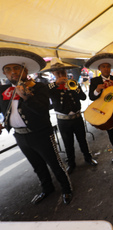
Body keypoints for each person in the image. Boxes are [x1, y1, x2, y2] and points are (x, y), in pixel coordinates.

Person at [0, 48, 72, 205]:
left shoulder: (39, 87)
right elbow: (4, 110)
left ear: (25, 70)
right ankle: (47, 189)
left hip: (41, 134)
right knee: (37, 166)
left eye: (17, 68)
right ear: (4, 74)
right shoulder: (3, 90)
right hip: (19, 135)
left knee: (55, 164)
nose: (13, 72)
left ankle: (66, 189)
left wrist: (25, 96)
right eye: (8, 69)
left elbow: (41, 110)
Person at [42, 58, 98, 174]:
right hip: (63, 121)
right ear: (53, 73)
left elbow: (83, 97)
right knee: (68, 143)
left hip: (77, 118)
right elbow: (44, 93)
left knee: (82, 139)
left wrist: (75, 88)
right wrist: (56, 84)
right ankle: (71, 163)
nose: (62, 75)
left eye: (63, 72)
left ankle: (88, 158)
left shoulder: (73, 84)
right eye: (58, 73)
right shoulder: (50, 87)